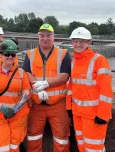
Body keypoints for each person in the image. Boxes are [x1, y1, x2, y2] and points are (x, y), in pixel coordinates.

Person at [23, 24, 71, 152]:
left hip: (58, 104)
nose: (45, 38)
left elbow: (65, 76)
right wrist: (36, 85)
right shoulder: (30, 54)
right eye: (42, 35)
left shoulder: (63, 54)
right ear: (38, 37)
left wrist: (46, 83)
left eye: (49, 35)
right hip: (36, 104)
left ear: (53, 37)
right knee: (33, 136)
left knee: (61, 138)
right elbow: (26, 73)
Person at [67, 27, 113, 152]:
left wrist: (103, 115)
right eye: (75, 41)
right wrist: (69, 108)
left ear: (89, 42)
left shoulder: (100, 61)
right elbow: (71, 86)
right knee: (81, 146)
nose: (78, 44)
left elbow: (106, 91)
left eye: (82, 41)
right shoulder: (74, 61)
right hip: (78, 114)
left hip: (94, 116)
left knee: (94, 148)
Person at [0, 40, 31, 152]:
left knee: (14, 146)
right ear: (1, 55)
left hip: (18, 116)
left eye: (13, 54)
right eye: (7, 54)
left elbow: (26, 93)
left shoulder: (20, 72)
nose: (10, 57)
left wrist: (16, 108)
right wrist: (2, 108)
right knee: (1, 147)